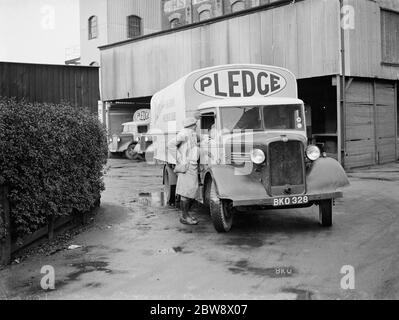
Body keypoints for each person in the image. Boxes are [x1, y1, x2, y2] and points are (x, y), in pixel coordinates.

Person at [168, 117, 200, 225]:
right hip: (187, 166)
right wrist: (179, 158)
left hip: (191, 166)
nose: (196, 126)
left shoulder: (192, 134)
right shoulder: (184, 134)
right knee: (186, 193)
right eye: (195, 124)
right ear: (191, 125)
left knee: (190, 191)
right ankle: (185, 217)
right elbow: (170, 144)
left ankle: (185, 215)